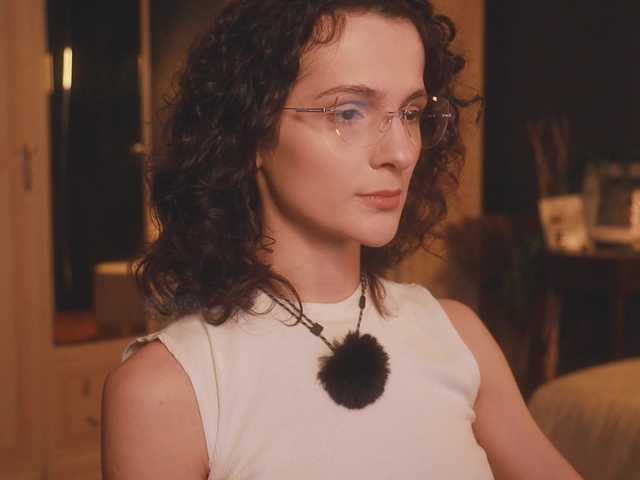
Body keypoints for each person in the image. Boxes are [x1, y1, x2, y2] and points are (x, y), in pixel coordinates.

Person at [101, 0, 583, 478]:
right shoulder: (169, 388)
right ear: (252, 131)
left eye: (410, 113)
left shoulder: (458, 336)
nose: (400, 152)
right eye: (349, 113)